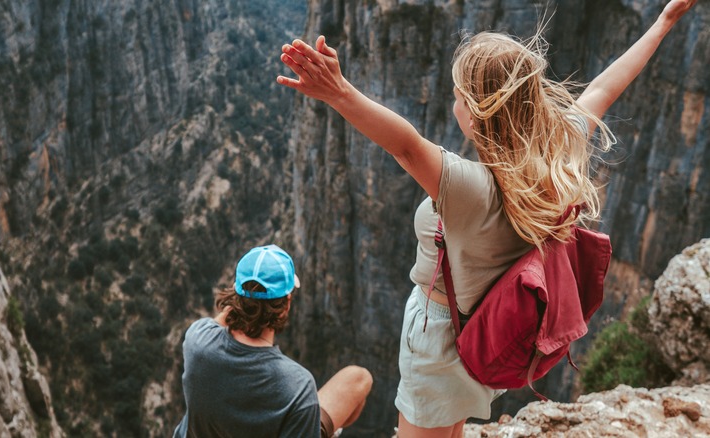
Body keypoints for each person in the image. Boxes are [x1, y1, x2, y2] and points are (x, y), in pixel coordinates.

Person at [276, 1, 696, 437]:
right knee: (451, 426)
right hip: (488, 331)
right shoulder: (557, 153)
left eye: (457, 96)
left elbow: (405, 145)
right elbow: (603, 91)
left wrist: (339, 91)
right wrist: (662, 24)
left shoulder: (467, 189)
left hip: (439, 339)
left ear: (475, 112)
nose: (452, 103)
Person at [173, 244, 373, 438]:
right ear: (286, 304)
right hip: (297, 421)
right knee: (360, 378)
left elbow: (221, 319)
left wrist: (243, 296)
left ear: (236, 295)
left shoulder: (197, 340)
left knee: (357, 377)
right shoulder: (297, 387)